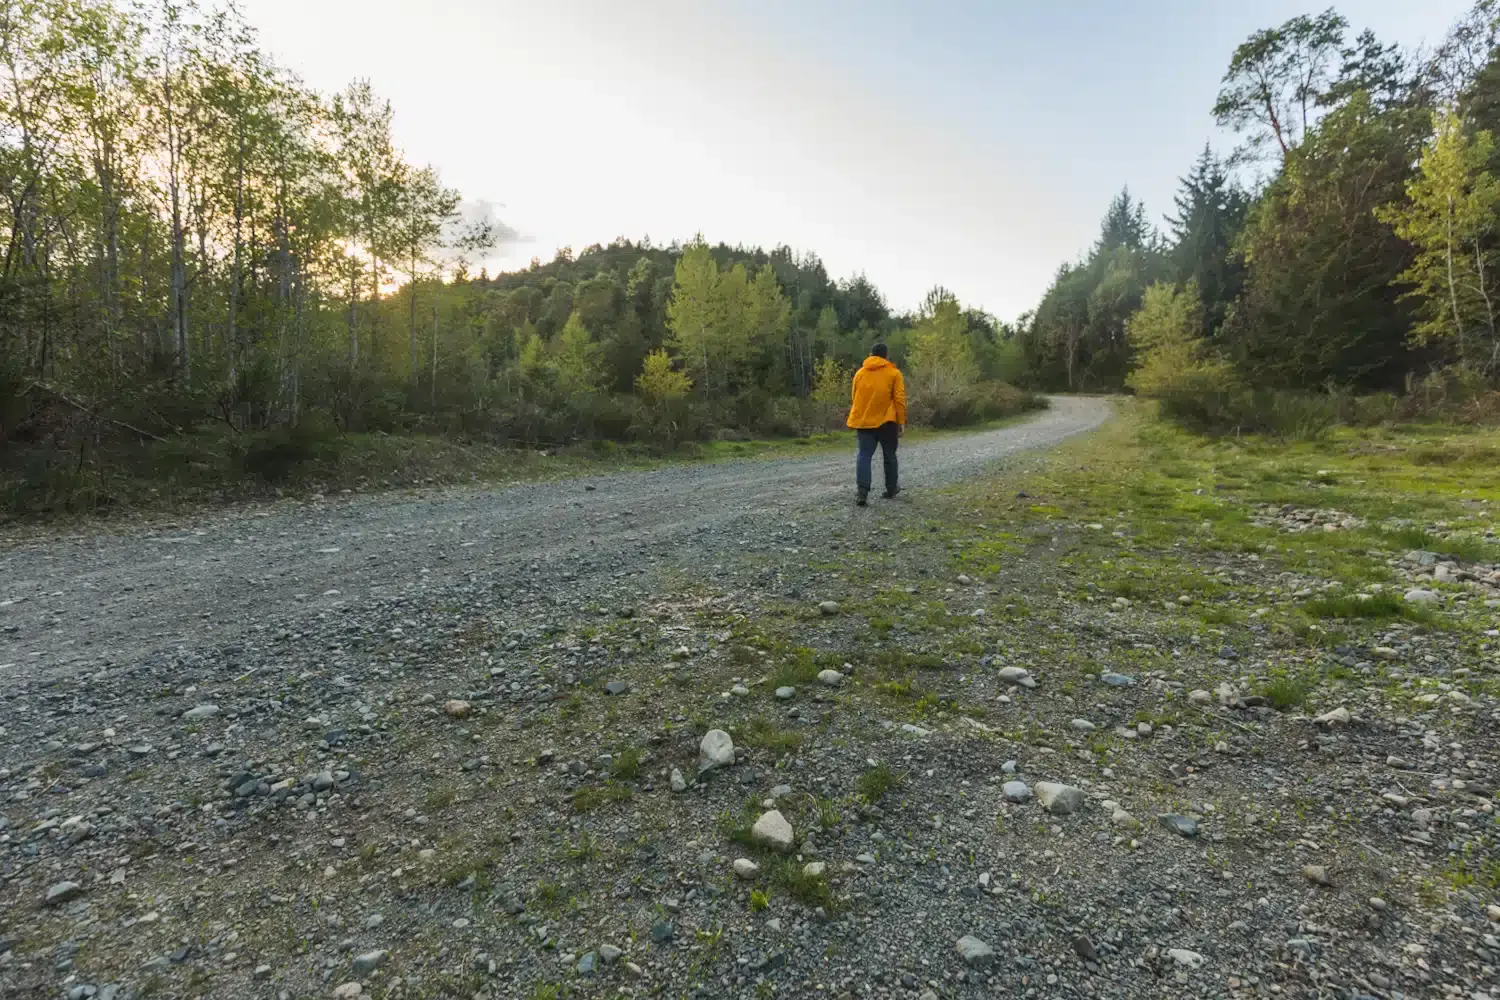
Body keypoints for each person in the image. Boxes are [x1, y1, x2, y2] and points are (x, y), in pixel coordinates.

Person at [845, 342, 906, 506]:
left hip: (864, 421)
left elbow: (855, 397)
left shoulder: (860, 373)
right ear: (886, 356)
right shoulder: (894, 373)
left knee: (864, 455)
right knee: (889, 455)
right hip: (887, 422)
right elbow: (899, 400)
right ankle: (891, 489)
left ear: (871, 355)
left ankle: (862, 492)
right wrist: (901, 421)